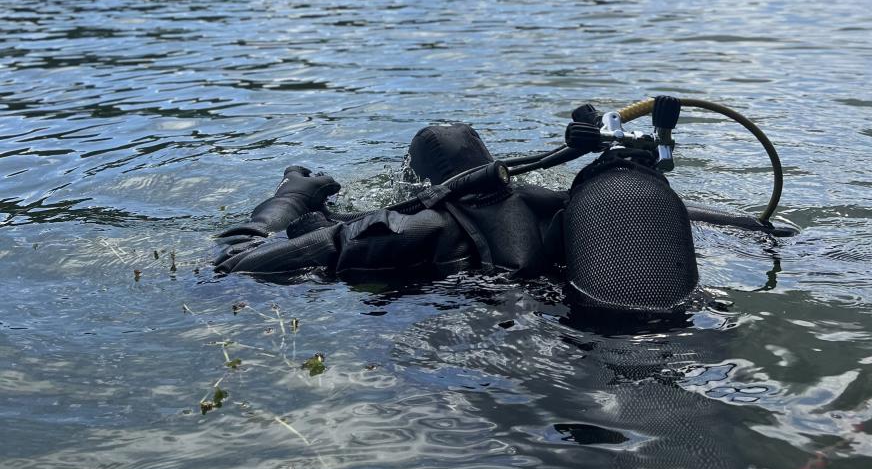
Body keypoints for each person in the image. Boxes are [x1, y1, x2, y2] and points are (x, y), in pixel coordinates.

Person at [215, 122, 795, 315]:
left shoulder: (416, 225)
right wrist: (768, 229)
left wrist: (288, 198)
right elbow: (727, 223)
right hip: (601, 315)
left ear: (421, 182)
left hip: (500, 335)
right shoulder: (560, 203)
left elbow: (234, 263)